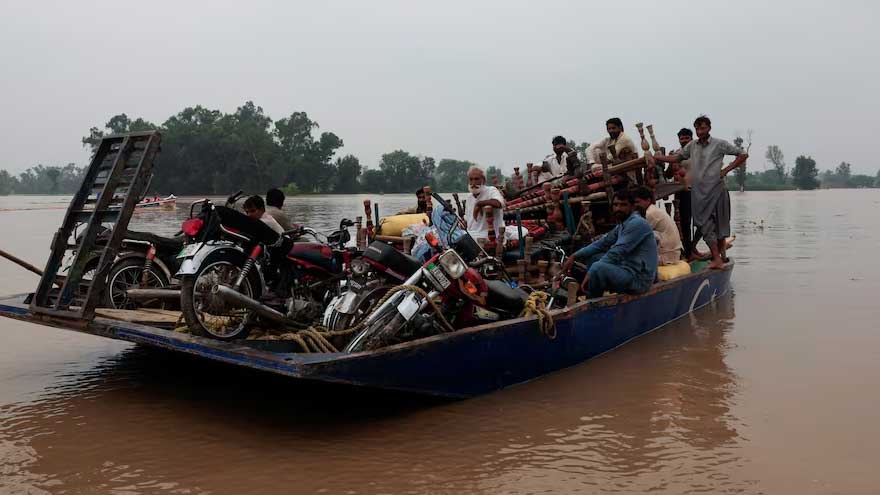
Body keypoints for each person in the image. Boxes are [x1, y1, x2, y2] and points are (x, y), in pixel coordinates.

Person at [655, 115, 748, 269]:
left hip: (717, 189)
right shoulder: (692, 146)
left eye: (703, 128)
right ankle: (716, 258)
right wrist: (656, 157)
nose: (700, 131)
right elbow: (677, 158)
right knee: (703, 224)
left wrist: (726, 170)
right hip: (699, 192)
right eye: (697, 128)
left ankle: (719, 258)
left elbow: (743, 154)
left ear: (709, 128)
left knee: (720, 224)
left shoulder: (719, 144)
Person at [562, 189, 658, 298]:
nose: (618, 208)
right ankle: (591, 290)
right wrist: (574, 256)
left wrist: (592, 271)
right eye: (616, 205)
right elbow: (601, 243)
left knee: (598, 268)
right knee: (593, 257)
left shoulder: (637, 223)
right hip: (627, 270)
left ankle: (592, 301)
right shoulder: (622, 225)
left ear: (632, 207)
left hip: (639, 279)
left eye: (623, 205)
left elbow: (617, 251)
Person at [633, 186, 682, 266]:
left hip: (666, 257)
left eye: (638, 202)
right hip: (671, 254)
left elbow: (636, 235)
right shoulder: (653, 210)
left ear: (648, 200)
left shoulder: (650, 213)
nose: (635, 205)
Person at [466, 166, 505, 240]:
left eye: (476, 179)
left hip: (491, 236)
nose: (473, 183)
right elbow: (469, 221)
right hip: (472, 234)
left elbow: (498, 203)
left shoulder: (491, 191)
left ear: (483, 180)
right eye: (471, 179)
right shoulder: (469, 197)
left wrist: (480, 204)